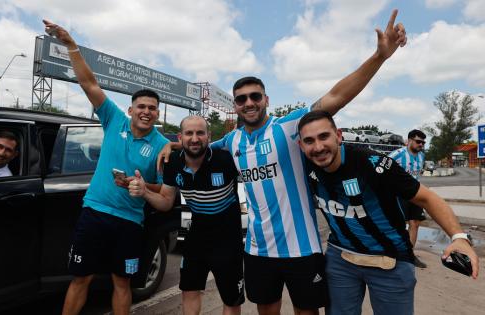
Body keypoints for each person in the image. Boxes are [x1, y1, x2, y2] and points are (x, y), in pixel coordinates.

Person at [159, 9, 407, 315]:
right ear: (235, 106)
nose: (248, 102)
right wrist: (167, 145)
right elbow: (195, 145)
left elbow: (336, 97)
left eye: (255, 96)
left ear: (266, 99)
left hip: (302, 248)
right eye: (241, 99)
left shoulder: (289, 127)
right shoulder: (232, 141)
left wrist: (378, 58)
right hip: (258, 249)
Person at [42, 20, 169, 315]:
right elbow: (89, 83)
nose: (146, 112)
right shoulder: (113, 119)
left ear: (157, 113)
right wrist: (71, 45)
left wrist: (141, 187)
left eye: (152, 108)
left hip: (129, 222)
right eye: (142, 106)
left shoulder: (162, 144)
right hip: (95, 213)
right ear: (131, 109)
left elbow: (163, 192)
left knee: (122, 283)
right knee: (81, 278)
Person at [297, 110, 479, 315]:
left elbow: (427, 198)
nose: (318, 147)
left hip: (390, 259)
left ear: (338, 136)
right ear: (301, 146)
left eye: (324, 136)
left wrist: (460, 237)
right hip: (340, 258)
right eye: (309, 140)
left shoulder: (373, 163)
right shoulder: (303, 165)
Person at [129, 115, 245, 315]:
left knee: (231, 299)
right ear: (180, 137)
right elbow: (166, 201)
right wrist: (145, 192)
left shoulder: (226, 159)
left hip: (228, 241)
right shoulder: (173, 162)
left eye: (200, 133)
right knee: (189, 291)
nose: (195, 138)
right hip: (196, 237)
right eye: (189, 133)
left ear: (208, 136)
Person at [389, 129, 428, 268]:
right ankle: (393, 253)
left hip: (415, 194)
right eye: (418, 142)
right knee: (397, 224)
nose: (421, 145)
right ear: (409, 140)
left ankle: (409, 255)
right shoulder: (397, 154)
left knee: (415, 223)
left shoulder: (421, 156)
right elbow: (381, 170)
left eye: (423, 142)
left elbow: (417, 174)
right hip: (399, 195)